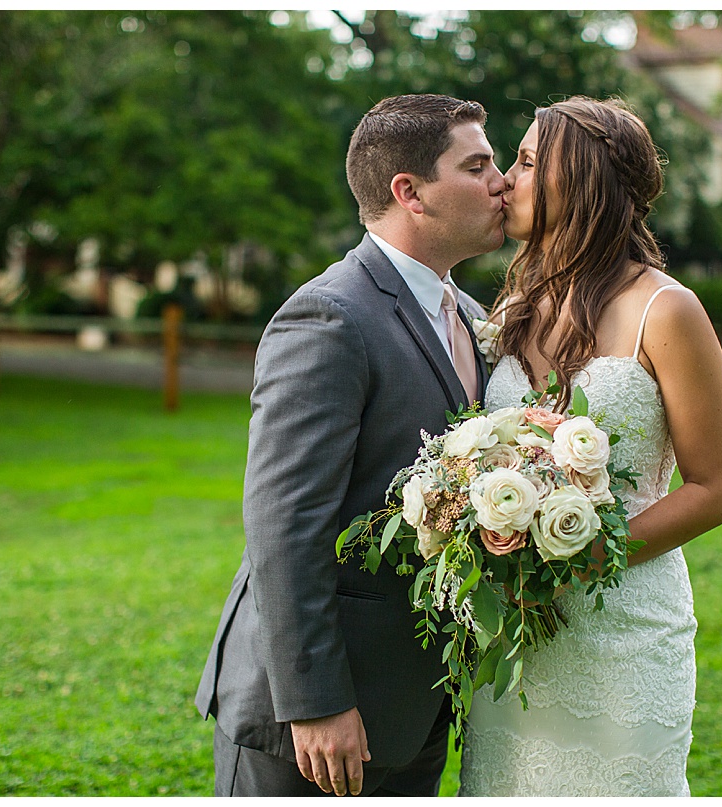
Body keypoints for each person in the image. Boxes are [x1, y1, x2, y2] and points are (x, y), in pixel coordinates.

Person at [195, 94, 506, 797]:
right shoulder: (328, 316)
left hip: (418, 700)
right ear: (410, 193)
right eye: (478, 164)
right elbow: (284, 522)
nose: (501, 182)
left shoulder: (479, 319)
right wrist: (316, 701)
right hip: (314, 721)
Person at [459, 96, 722, 796]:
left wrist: (581, 557)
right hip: (518, 636)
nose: (506, 179)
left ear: (575, 179)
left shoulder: (666, 309)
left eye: (525, 162)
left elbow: (715, 488)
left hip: (626, 632)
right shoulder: (512, 307)